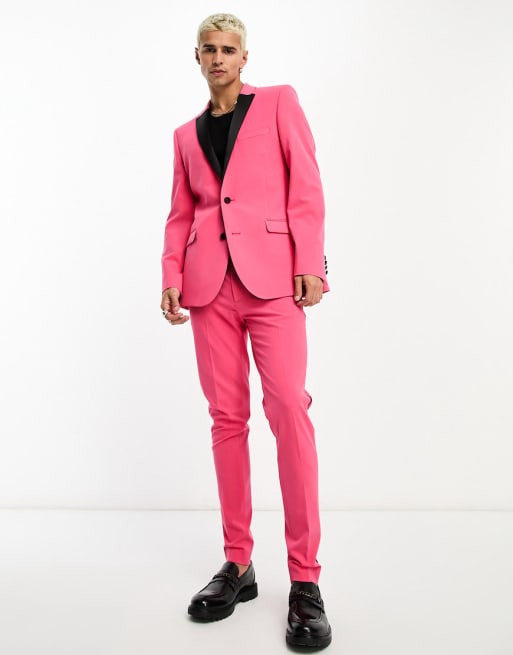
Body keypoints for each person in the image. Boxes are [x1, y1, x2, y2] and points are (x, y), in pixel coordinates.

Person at [160, 13, 332, 650]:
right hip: (209, 289)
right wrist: (171, 274)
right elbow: (180, 213)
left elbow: (306, 185)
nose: (218, 58)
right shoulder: (185, 135)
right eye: (208, 49)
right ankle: (238, 564)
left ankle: (305, 579)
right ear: (197, 57)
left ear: (244, 57)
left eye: (228, 49)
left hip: (274, 282)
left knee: (288, 408)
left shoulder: (279, 103)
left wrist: (310, 262)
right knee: (226, 420)